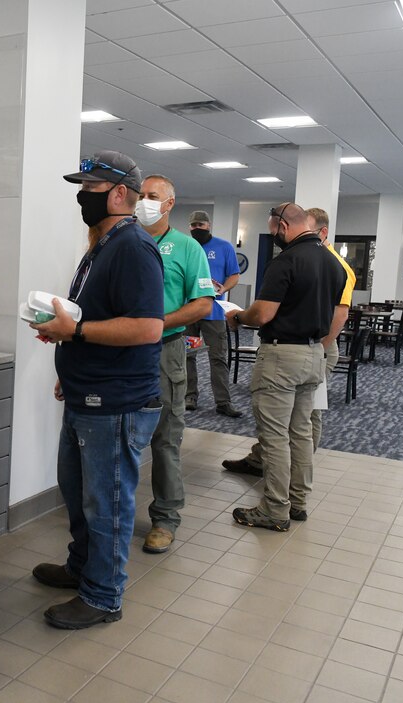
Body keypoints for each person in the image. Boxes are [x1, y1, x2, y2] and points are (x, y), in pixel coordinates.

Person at [29, 151, 164, 628]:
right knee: (79, 492)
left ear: (120, 193)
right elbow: (97, 316)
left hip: (117, 401)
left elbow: (148, 328)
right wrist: (66, 338)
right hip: (88, 392)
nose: (82, 196)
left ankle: (103, 597)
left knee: (105, 501)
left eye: (90, 188)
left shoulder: (133, 247)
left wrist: (78, 335)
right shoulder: (101, 245)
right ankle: (83, 567)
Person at [223, 203, 345, 531]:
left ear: (283, 226)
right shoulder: (334, 264)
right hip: (313, 354)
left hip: (281, 357)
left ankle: (275, 508)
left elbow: (263, 314)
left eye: (273, 229)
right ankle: (299, 501)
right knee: (301, 431)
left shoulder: (286, 260)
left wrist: (237, 317)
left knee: (275, 435)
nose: (273, 236)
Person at [136, 177, 215, 554]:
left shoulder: (186, 248)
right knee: (118, 433)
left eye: (151, 197)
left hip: (164, 351)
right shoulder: (123, 240)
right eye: (140, 196)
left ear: (169, 204)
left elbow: (203, 304)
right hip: (119, 351)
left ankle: (165, 518)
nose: (143, 202)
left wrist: (156, 324)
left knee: (165, 437)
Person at [184, 210, 242, 416]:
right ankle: (189, 396)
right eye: (193, 226)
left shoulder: (224, 247)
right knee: (187, 357)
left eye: (200, 225)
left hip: (214, 312)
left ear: (208, 225)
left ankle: (223, 402)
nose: (197, 229)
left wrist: (223, 289)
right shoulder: (186, 246)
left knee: (218, 357)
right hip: (187, 311)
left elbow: (234, 275)